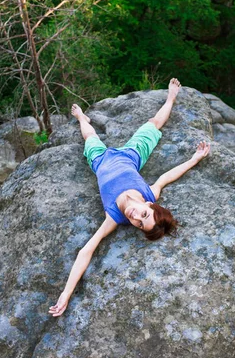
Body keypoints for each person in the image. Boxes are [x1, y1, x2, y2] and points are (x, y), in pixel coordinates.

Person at [49, 78, 210, 317]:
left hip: (101, 161)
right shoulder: (148, 193)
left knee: (89, 136)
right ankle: (170, 98)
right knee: (154, 124)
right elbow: (167, 176)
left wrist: (66, 294)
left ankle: (83, 119)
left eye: (139, 223)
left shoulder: (113, 217)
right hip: (130, 155)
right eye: (144, 215)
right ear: (148, 204)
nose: (135, 218)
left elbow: (86, 251)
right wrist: (194, 159)